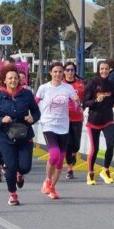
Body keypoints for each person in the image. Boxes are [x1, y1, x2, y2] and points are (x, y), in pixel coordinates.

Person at [0, 64, 41, 206]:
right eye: (10, 78)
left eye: (15, 78)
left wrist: (32, 118)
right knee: (10, 166)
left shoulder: (27, 94)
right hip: (5, 137)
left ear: (19, 80)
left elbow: (36, 112)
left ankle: (20, 174)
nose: (13, 80)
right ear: (4, 80)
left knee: (25, 167)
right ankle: (13, 194)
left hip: (24, 135)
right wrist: (1, 120)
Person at [35, 62, 79, 200]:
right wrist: (29, 115)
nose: (58, 74)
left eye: (60, 72)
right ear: (50, 73)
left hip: (63, 126)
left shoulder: (68, 88)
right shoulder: (44, 88)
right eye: (55, 72)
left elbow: (76, 104)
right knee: (54, 154)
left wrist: (77, 103)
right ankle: (47, 180)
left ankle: (53, 187)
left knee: (60, 161)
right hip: (48, 124)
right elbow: (33, 103)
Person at [82, 61, 114, 186]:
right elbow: (85, 102)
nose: (104, 71)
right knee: (95, 148)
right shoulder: (92, 83)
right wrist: (96, 100)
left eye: (106, 69)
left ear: (109, 70)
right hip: (94, 121)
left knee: (111, 144)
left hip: (108, 119)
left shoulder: (111, 83)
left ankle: (106, 170)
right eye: (102, 69)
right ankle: (90, 174)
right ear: (98, 70)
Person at [63, 62, 85, 179]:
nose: (70, 72)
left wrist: (84, 106)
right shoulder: (61, 85)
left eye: (72, 70)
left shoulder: (80, 85)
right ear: (64, 71)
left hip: (77, 118)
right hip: (64, 118)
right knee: (68, 144)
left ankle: (73, 154)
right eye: (67, 70)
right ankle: (69, 169)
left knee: (76, 144)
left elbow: (85, 99)